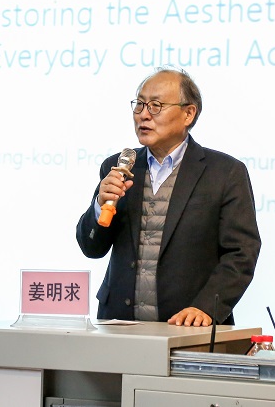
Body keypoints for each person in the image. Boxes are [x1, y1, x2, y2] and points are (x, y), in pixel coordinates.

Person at [76, 66, 261, 327]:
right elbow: (91, 247)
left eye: (156, 106)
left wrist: (206, 307)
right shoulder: (118, 166)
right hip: (119, 325)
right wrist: (99, 206)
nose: (143, 115)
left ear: (188, 113)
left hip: (189, 327)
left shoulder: (225, 172)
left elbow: (241, 253)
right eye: (139, 105)